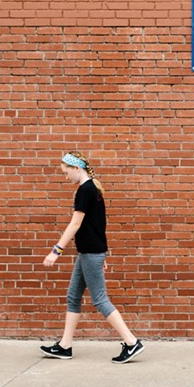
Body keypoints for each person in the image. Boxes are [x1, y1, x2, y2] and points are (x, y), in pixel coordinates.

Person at [39, 151, 144, 364]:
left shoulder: (85, 190)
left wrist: (56, 250)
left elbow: (75, 224)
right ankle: (65, 346)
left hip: (90, 254)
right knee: (73, 296)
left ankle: (132, 342)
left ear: (77, 168)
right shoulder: (93, 187)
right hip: (89, 252)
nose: (65, 176)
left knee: (99, 299)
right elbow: (99, 224)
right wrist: (102, 252)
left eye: (66, 172)